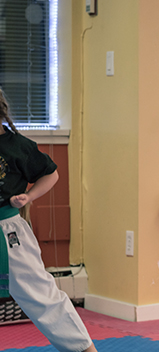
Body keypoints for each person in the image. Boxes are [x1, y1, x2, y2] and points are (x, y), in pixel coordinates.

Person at [0, 90, 98, 352]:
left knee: (41, 294)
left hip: (7, 231)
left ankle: (83, 349)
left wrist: (28, 196)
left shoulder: (18, 146)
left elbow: (50, 174)